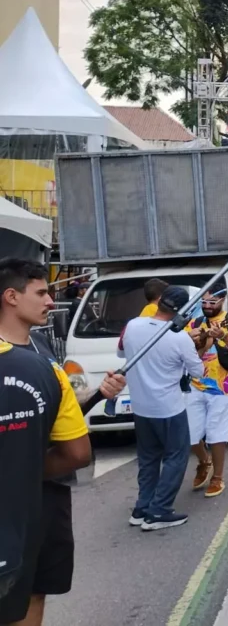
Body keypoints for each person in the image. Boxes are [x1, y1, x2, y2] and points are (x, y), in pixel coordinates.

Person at [0, 259, 92, 626]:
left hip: (48, 497)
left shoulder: (42, 348)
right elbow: (77, 451)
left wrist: (98, 395)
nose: (51, 301)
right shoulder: (28, 363)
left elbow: (61, 419)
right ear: (11, 296)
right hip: (19, 499)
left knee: (36, 588)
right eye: (41, 293)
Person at [120, 286, 205, 531]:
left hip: (141, 407)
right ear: (183, 311)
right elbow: (198, 371)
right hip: (169, 408)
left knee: (148, 459)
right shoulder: (179, 338)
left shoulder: (133, 325)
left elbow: (121, 352)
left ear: (159, 302)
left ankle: (142, 507)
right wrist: (196, 345)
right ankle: (159, 510)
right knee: (176, 458)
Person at [186, 280, 228, 498]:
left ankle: (218, 477)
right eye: (204, 301)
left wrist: (224, 336)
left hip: (224, 386)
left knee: (216, 434)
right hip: (195, 385)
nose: (207, 305)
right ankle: (205, 461)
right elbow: (185, 351)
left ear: (222, 299)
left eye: (212, 302)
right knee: (190, 434)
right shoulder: (194, 322)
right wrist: (198, 340)